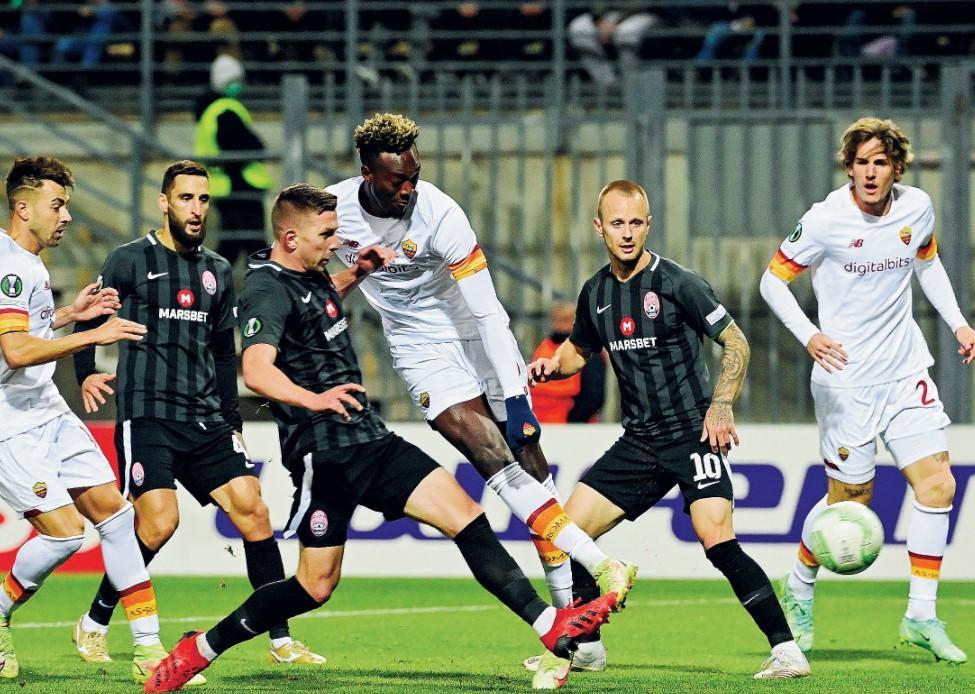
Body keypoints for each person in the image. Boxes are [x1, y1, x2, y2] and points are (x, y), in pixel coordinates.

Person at [141, 184, 618, 693]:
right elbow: (256, 369)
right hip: (325, 454)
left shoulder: (311, 274)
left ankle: (550, 627)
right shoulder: (263, 289)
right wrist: (315, 399)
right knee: (314, 586)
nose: (335, 242)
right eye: (326, 235)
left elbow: (315, 306)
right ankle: (199, 650)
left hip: (371, 440)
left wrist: (359, 272)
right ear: (289, 236)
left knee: (468, 519)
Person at [326, 112, 636, 688]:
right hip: (419, 350)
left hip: (474, 333)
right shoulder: (333, 210)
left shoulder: (441, 213)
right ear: (368, 173)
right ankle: (596, 569)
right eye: (396, 181)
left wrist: (518, 400)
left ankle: (575, 633)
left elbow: (490, 312)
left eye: (414, 176)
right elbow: (297, 268)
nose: (408, 189)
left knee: (527, 457)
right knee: (482, 447)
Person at [528, 179, 811, 681]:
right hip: (639, 440)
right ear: (599, 228)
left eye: (636, 222)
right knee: (569, 531)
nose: (628, 233)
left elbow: (737, 342)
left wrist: (721, 405)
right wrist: (553, 364)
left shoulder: (680, 283)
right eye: (617, 223)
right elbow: (578, 350)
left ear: (649, 223)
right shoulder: (595, 293)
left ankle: (787, 649)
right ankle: (587, 645)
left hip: (692, 432)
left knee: (715, 536)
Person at [71, 160, 325, 675]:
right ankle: (95, 621)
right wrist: (85, 373)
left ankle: (280, 636)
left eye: (203, 200)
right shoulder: (129, 260)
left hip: (205, 418)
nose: (196, 209)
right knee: (160, 522)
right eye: (186, 198)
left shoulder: (218, 271)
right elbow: (90, 315)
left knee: (254, 511)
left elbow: (221, 353)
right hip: (147, 413)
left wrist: (232, 422)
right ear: (164, 202)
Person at [759, 117, 974, 664]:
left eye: (880, 162)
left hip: (904, 371)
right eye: (861, 163)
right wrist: (810, 336)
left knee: (939, 487)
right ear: (849, 167)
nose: (870, 172)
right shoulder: (826, 220)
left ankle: (921, 616)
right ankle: (801, 587)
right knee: (849, 506)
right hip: (846, 382)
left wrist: (958, 323)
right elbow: (771, 282)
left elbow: (928, 264)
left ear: (896, 167)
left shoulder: (916, 207)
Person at [0, 155, 170, 682]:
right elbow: (16, 353)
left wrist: (70, 315)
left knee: (118, 519)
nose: (67, 215)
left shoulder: (29, 263)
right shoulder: (9, 264)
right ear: (23, 208)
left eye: (68, 205)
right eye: (58, 205)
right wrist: (94, 335)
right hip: (11, 422)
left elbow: (30, 331)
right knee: (66, 535)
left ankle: (149, 646)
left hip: (48, 410)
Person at [194, 53, 273, 267]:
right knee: (251, 245)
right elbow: (249, 144)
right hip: (239, 186)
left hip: (225, 186)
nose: (238, 85)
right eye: (233, 81)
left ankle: (209, 286)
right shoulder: (225, 110)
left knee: (234, 245)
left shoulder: (210, 111)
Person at [530, 302, 606, 424]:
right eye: (556, 319)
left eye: (566, 320)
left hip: (572, 427)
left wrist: (570, 423)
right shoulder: (543, 348)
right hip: (539, 422)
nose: (560, 325)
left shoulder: (589, 351)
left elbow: (593, 397)